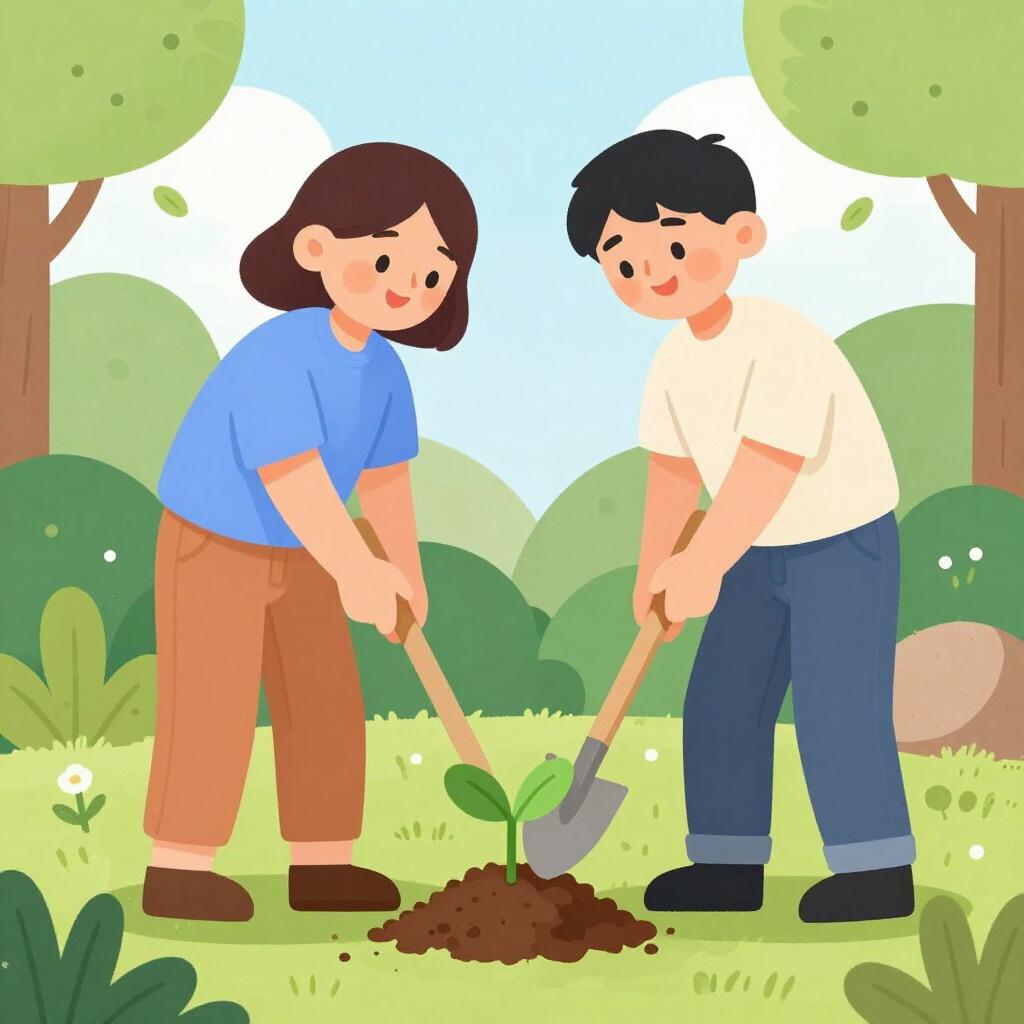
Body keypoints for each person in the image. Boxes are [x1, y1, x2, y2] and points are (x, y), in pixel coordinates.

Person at [566, 129, 915, 923]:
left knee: (837, 702)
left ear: (742, 236)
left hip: (840, 544)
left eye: (673, 243)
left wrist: (701, 562)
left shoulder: (779, 338)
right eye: (621, 260)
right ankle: (725, 861)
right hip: (751, 555)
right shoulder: (673, 361)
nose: (648, 271)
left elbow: (767, 465)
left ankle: (873, 867)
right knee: (723, 698)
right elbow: (673, 470)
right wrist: (657, 563)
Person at [142, 143, 477, 922]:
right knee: (213, 694)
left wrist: (404, 571)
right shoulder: (284, 350)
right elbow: (288, 472)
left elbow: (386, 478)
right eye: (388, 257)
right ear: (316, 248)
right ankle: (181, 863)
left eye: (433, 274)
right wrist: (360, 571)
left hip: (315, 547)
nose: (409, 285)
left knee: (324, 691)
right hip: (216, 536)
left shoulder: (386, 370)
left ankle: (323, 860)